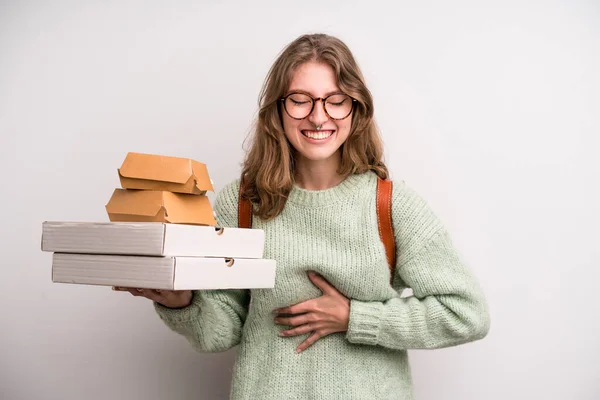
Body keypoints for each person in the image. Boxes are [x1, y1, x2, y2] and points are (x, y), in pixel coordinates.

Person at [119, 33, 490, 399]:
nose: (318, 117)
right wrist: (181, 301)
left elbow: (466, 314)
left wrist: (355, 318)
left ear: (356, 107)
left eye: (335, 100)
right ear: (278, 110)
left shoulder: (392, 206)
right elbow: (222, 332)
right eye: (300, 100)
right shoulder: (242, 203)